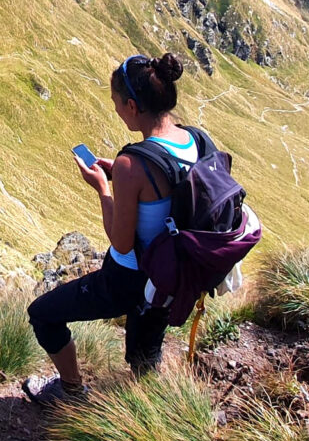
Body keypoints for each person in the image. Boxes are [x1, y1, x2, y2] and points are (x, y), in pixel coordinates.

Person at [23, 52, 199, 405]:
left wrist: (104, 188)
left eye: (117, 103)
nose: (116, 110)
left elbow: (121, 242)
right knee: (144, 355)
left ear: (132, 106)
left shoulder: (132, 164)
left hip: (130, 278)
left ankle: (72, 391)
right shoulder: (193, 139)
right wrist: (121, 174)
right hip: (173, 274)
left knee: (42, 314)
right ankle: (153, 415)